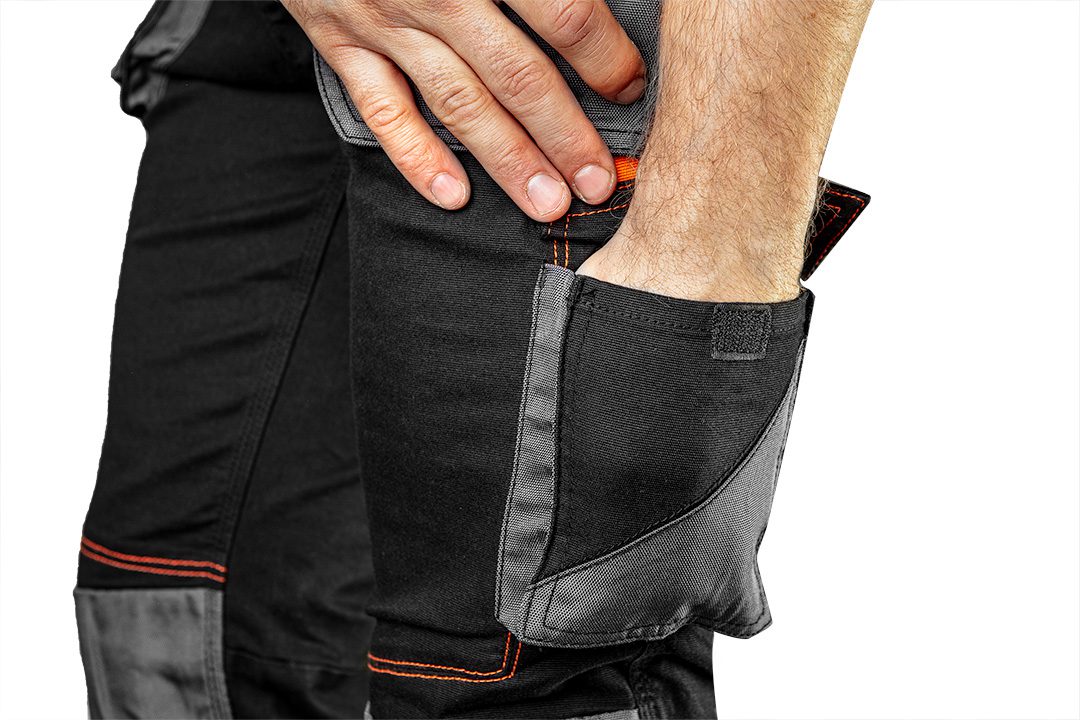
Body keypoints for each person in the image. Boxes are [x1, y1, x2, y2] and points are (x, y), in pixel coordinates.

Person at [73, 1, 872, 717]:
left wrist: (720, 206)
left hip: (566, 76)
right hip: (261, 31)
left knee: (513, 674)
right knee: (187, 627)